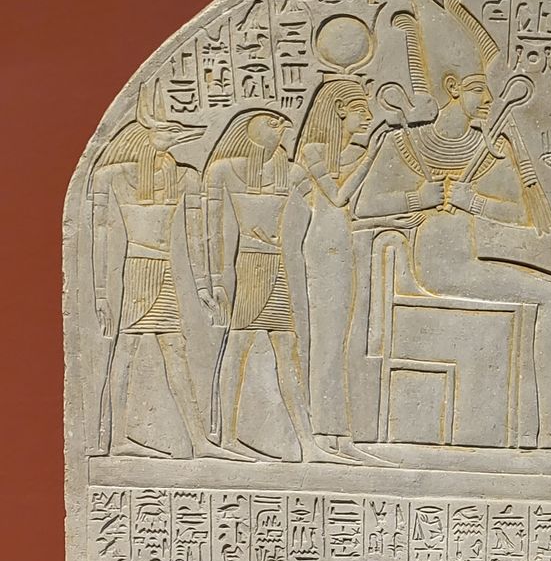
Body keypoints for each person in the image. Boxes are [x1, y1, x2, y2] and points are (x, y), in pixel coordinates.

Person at [356, 0, 551, 448]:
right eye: (480, 88)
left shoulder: (485, 147)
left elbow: (521, 215)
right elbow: (364, 206)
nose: (489, 99)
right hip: (434, 268)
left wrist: (472, 201)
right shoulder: (405, 143)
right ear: (453, 87)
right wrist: (417, 199)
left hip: (467, 260)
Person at [91, 80, 220, 457]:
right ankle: (115, 440)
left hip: (162, 272)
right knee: (126, 349)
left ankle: (198, 441)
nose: (179, 138)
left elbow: (195, 237)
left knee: (174, 350)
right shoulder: (112, 176)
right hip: (138, 273)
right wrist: (100, 295)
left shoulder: (186, 177)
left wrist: (203, 287)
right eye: (170, 132)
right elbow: (101, 236)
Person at [203, 109, 327, 461]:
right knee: (238, 347)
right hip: (249, 268)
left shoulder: (292, 172)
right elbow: (213, 228)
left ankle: (306, 442)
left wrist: (291, 236)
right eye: (273, 124)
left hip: (277, 264)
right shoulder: (223, 170)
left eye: (282, 125)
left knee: (287, 352)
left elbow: (316, 211)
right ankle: (227, 436)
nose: (281, 130)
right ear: (251, 130)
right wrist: (215, 279)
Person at [294, 77, 382, 452]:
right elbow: (338, 195)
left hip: (342, 246)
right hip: (324, 248)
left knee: (339, 339)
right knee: (327, 340)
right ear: (340, 110)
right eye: (361, 110)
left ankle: (335, 430)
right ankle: (323, 431)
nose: (368, 117)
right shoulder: (314, 150)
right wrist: (371, 155)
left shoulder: (343, 153)